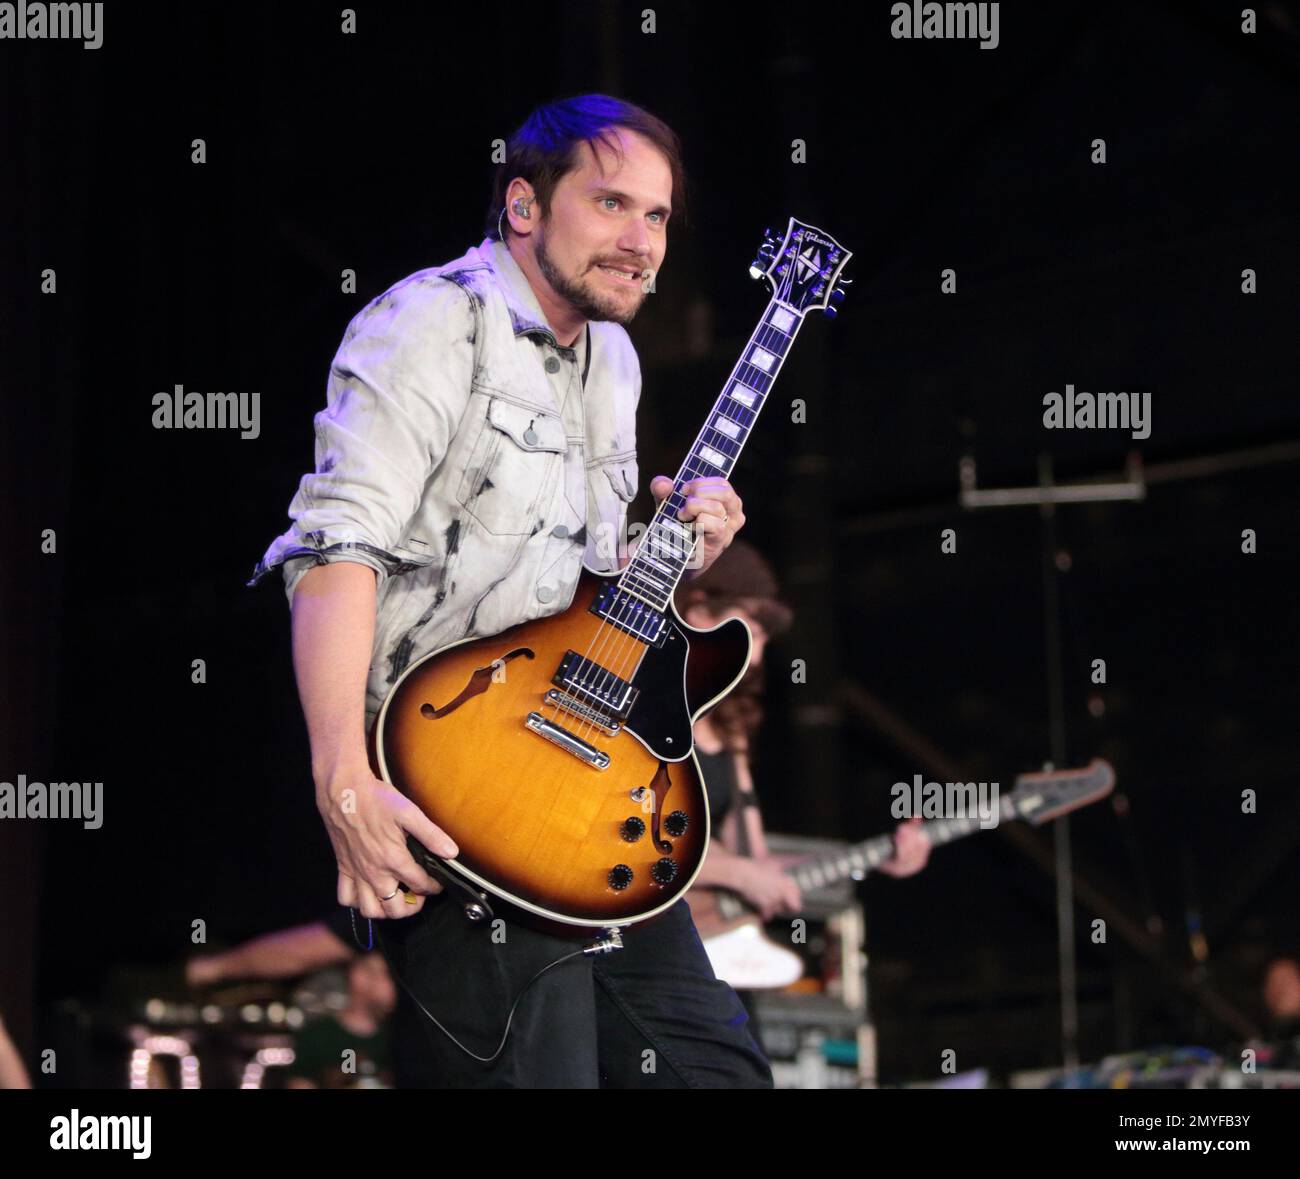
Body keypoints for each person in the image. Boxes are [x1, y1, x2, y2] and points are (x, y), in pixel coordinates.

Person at [250, 94, 768, 1088]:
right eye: (612, 204)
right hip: (456, 790)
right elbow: (332, 550)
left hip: (589, 796)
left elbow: (577, 577)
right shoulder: (429, 322)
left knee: (720, 1075)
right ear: (525, 207)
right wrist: (342, 779)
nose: (640, 241)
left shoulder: (613, 359)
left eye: (657, 216)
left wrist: (679, 548)